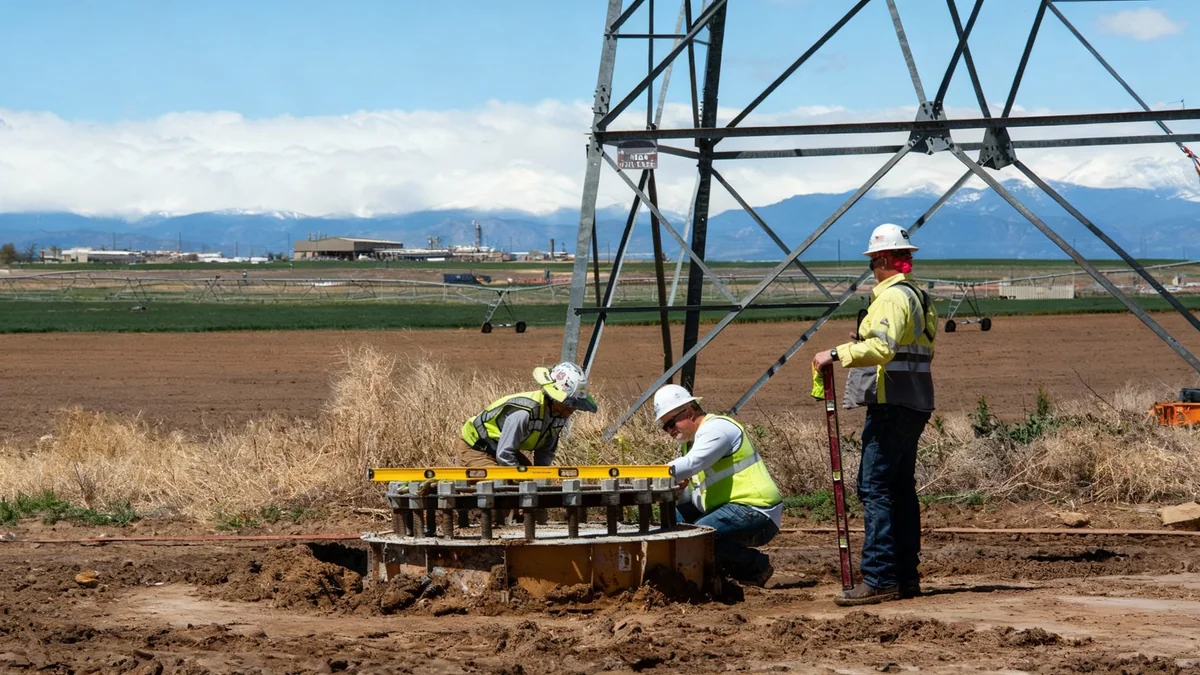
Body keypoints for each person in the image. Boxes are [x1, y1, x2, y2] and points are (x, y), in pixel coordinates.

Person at [812, 223, 936, 606]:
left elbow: (883, 349)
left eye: (872, 262)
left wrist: (834, 354)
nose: (872, 268)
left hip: (892, 404)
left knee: (875, 488)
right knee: (899, 489)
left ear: (881, 259)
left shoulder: (891, 298)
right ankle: (905, 576)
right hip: (914, 401)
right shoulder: (918, 296)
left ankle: (880, 577)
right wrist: (860, 343)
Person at [654, 383, 783, 587]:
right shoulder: (692, 442)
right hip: (727, 508)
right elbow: (695, 487)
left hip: (755, 509)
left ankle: (755, 567)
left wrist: (650, 475)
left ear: (688, 412)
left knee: (699, 538)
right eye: (665, 426)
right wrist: (679, 492)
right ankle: (706, 571)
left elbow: (692, 464)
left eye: (671, 423)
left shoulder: (717, 429)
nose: (669, 430)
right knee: (673, 520)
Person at [458, 361, 598, 468]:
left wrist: (541, 480)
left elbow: (544, 454)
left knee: (531, 484)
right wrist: (523, 480)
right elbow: (505, 455)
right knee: (502, 487)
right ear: (554, 398)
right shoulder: (525, 413)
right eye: (568, 404)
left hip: (498, 449)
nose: (571, 410)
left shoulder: (557, 418)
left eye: (575, 406)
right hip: (476, 447)